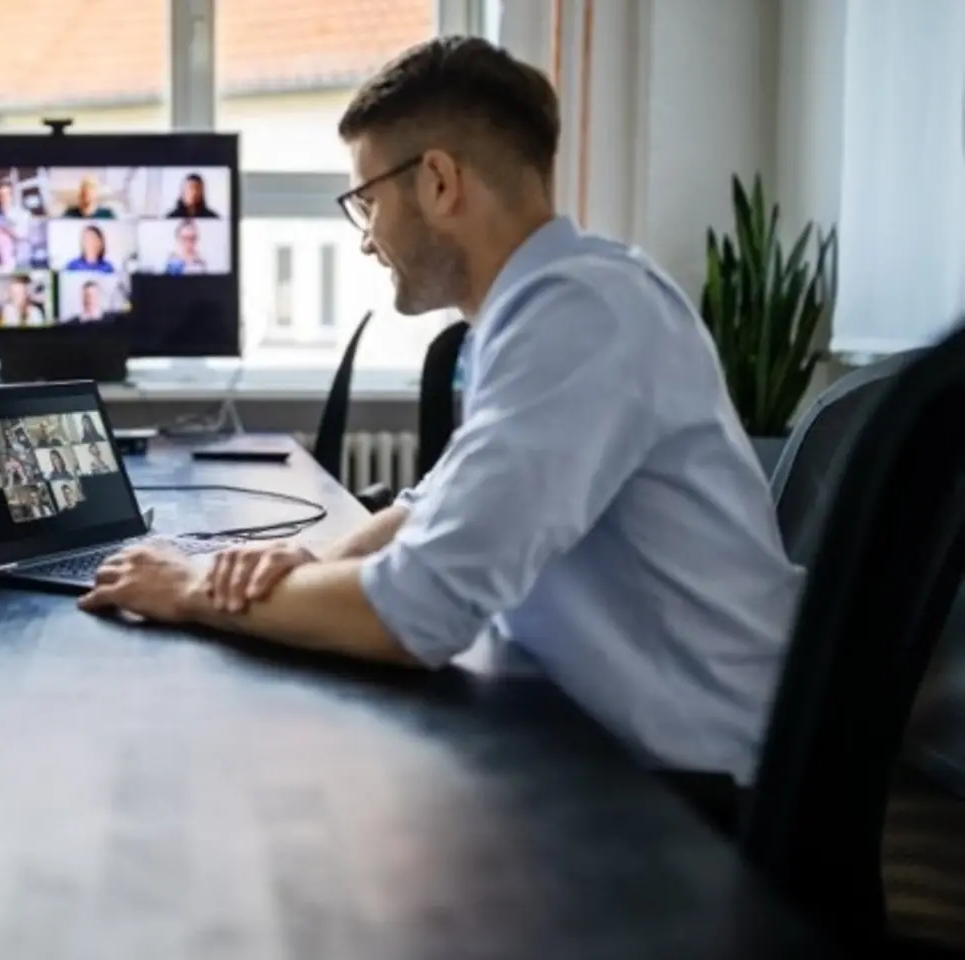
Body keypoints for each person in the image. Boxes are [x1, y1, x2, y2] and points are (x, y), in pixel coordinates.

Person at [77, 35, 803, 833]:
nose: (364, 236)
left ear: (438, 181)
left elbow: (416, 612)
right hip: (625, 749)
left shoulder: (582, 317)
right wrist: (303, 560)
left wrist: (192, 589)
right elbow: (437, 501)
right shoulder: (556, 305)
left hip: (692, 801)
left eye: (365, 202)